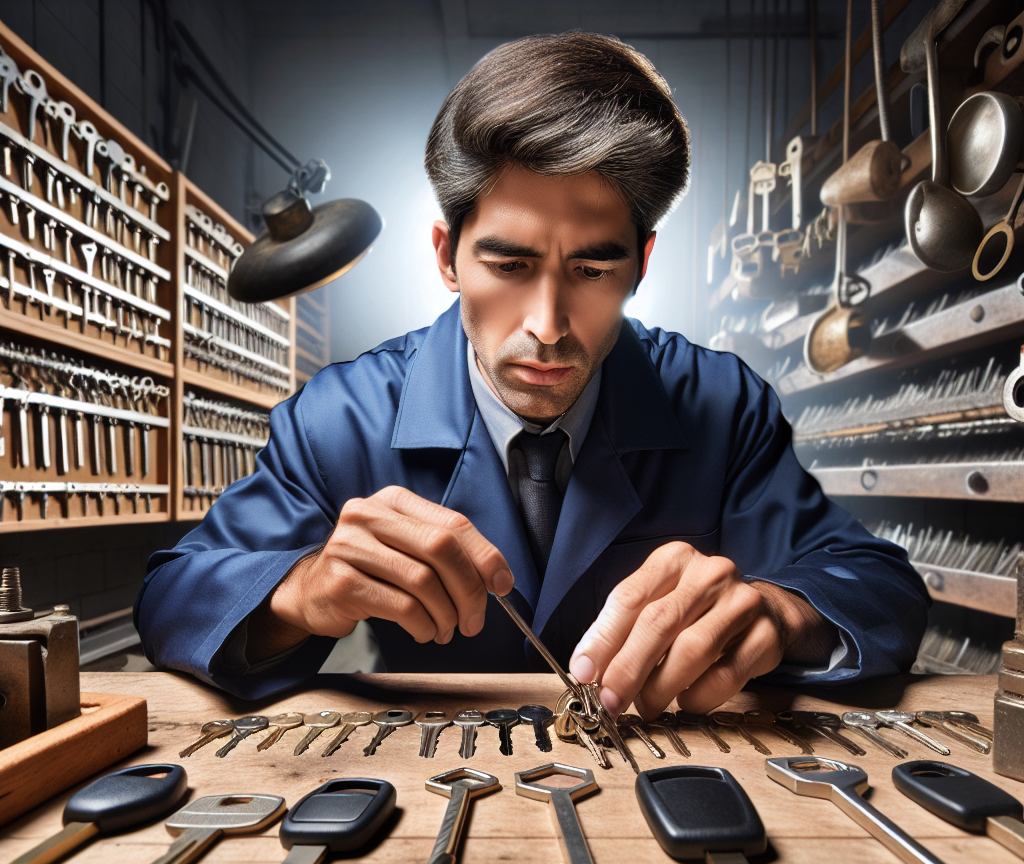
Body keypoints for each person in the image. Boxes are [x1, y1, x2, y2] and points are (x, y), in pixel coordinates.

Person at [136, 32, 928, 717]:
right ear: (447, 256)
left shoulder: (720, 404)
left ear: (641, 265)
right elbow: (174, 598)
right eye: (509, 263)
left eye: (592, 268)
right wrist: (299, 592)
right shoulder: (342, 414)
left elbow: (875, 585)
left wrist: (779, 611)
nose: (546, 327)